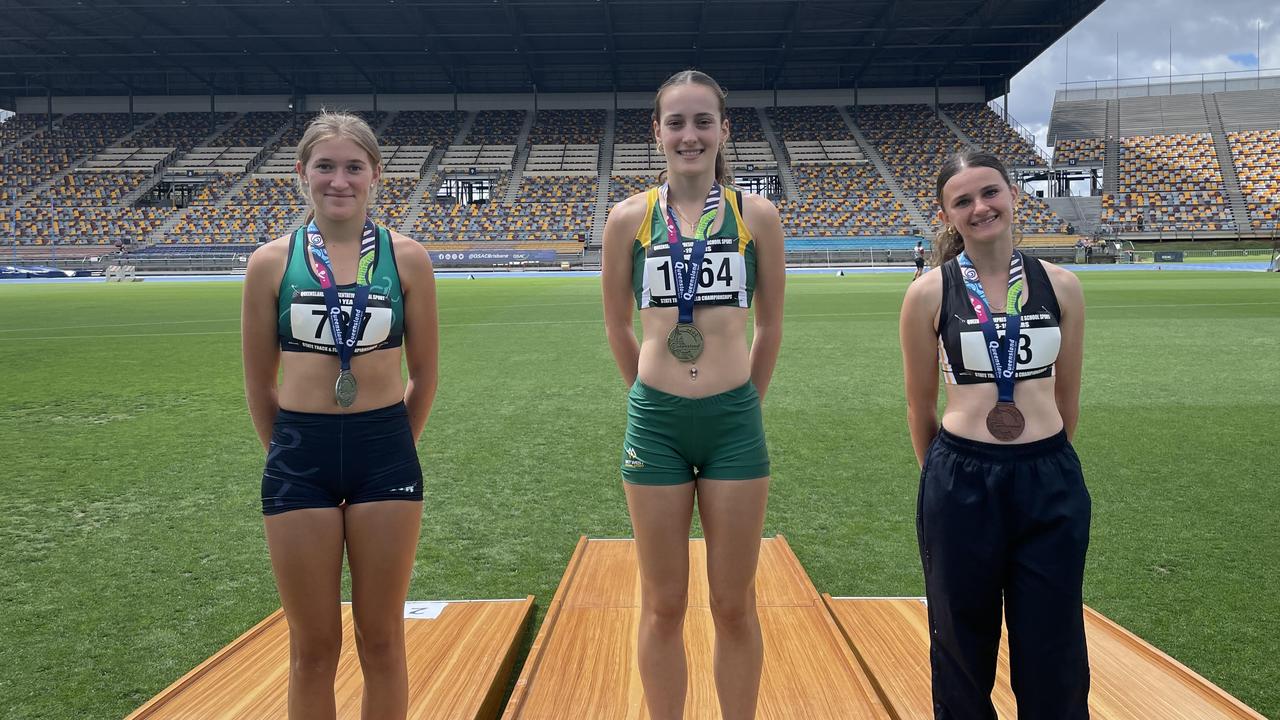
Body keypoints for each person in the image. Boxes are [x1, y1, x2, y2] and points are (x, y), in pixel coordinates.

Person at [241, 111, 439, 720]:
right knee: (313, 648)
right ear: (302, 173)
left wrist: (393, 442)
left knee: (382, 642)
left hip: (386, 451)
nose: (339, 180)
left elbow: (425, 375)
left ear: (375, 174)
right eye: (324, 166)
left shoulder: (407, 260)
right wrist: (292, 446)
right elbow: (258, 383)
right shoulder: (270, 263)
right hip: (300, 455)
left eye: (354, 166)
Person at [601, 70, 785, 720]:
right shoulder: (628, 219)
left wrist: (743, 400)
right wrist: (651, 392)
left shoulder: (755, 216)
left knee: (733, 603)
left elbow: (771, 326)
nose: (689, 134)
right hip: (656, 424)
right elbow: (618, 324)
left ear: (723, 130)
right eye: (675, 122)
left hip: (735, 422)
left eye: (702, 121)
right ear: (656, 133)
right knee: (663, 602)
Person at [899, 149, 1089, 719]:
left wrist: (1043, 456)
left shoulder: (1062, 285)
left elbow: (1067, 396)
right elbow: (919, 406)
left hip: (1049, 477)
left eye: (990, 193)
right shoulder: (928, 293)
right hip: (960, 478)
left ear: (1012, 195)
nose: (980, 207)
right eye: (963, 201)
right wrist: (942, 479)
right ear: (947, 216)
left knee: (1053, 643)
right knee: (960, 643)